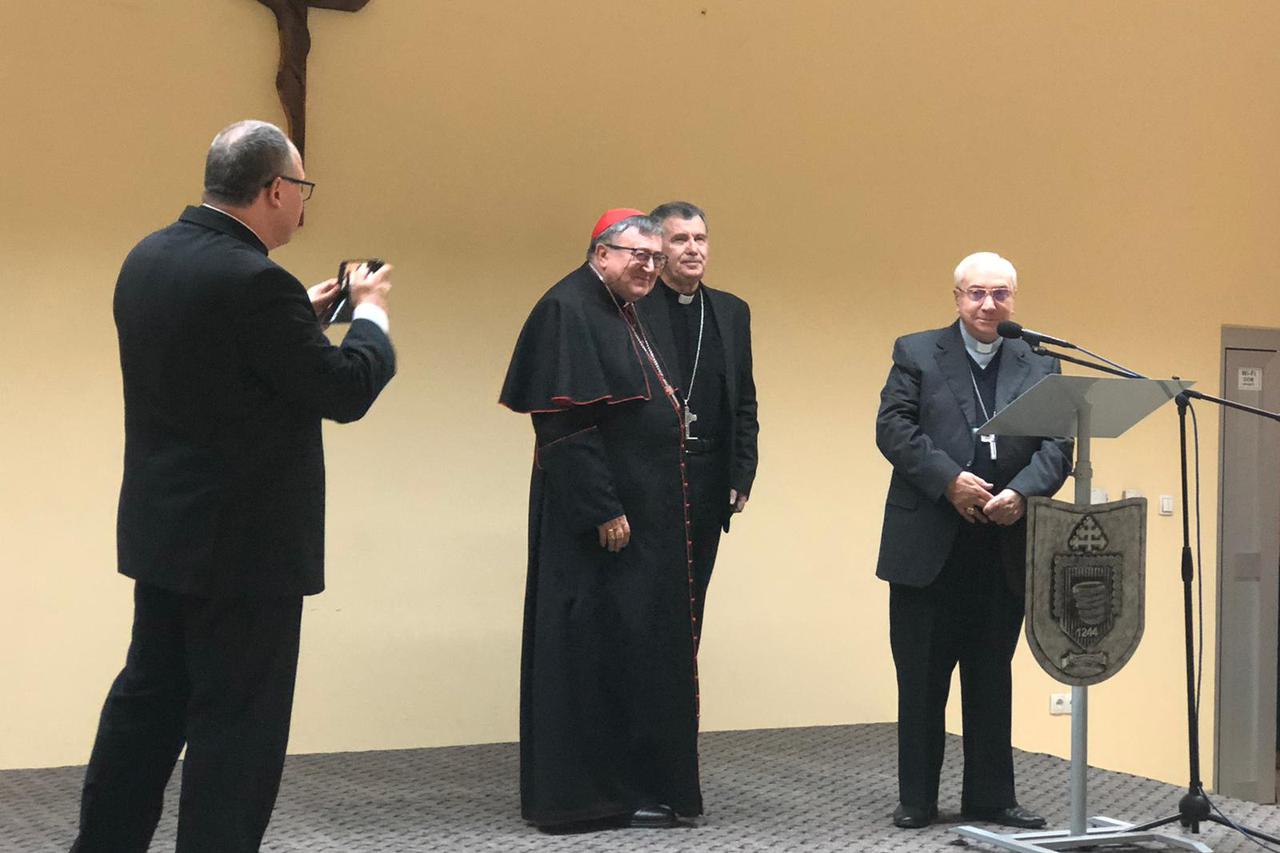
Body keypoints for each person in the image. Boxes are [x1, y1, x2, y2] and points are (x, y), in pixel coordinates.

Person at [70, 119, 397, 852]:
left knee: (147, 708)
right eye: (302, 187)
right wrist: (370, 315)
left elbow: (217, 357)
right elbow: (345, 389)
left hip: (165, 537)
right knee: (238, 729)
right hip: (246, 552)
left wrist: (298, 316)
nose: (304, 202)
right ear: (275, 190)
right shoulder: (255, 282)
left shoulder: (150, 256)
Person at [499, 209, 702, 831]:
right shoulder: (568, 308)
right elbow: (564, 424)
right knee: (588, 654)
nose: (649, 267)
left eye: (655, 258)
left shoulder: (619, 307)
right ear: (601, 253)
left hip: (633, 517)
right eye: (637, 255)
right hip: (597, 527)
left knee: (627, 651)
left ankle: (631, 785)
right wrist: (603, 507)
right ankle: (586, 797)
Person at [874, 252, 1072, 830]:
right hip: (929, 541)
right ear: (957, 297)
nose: (989, 304)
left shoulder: (1041, 363)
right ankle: (917, 799)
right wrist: (949, 481)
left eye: (1000, 294)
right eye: (977, 293)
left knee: (991, 676)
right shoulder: (916, 352)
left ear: (1014, 298)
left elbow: (1059, 446)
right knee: (922, 678)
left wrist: (1022, 493)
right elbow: (894, 428)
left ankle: (990, 797)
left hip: (1002, 540)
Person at [635, 201, 758, 640]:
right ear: (659, 247)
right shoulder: (635, 307)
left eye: (700, 239)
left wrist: (742, 472)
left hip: (708, 477)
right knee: (646, 601)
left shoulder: (731, 311)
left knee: (691, 604)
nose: (693, 248)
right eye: (680, 239)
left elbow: (744, 399)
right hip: (648, 478)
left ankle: (683, 685)